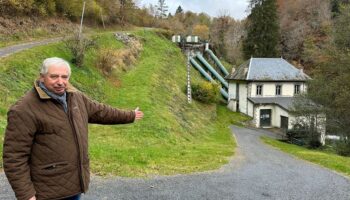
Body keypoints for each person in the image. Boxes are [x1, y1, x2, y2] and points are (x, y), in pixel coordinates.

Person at [3, 57, 144, 200]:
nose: (60, 81)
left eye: (64, 77)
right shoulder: (24, 109)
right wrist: (26, 195)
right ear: (42, 77)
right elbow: (14, 158)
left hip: (74, 186)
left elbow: (101, 111)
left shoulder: (75, 96)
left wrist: (130, 115)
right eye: (54, 76)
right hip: (47, 193)